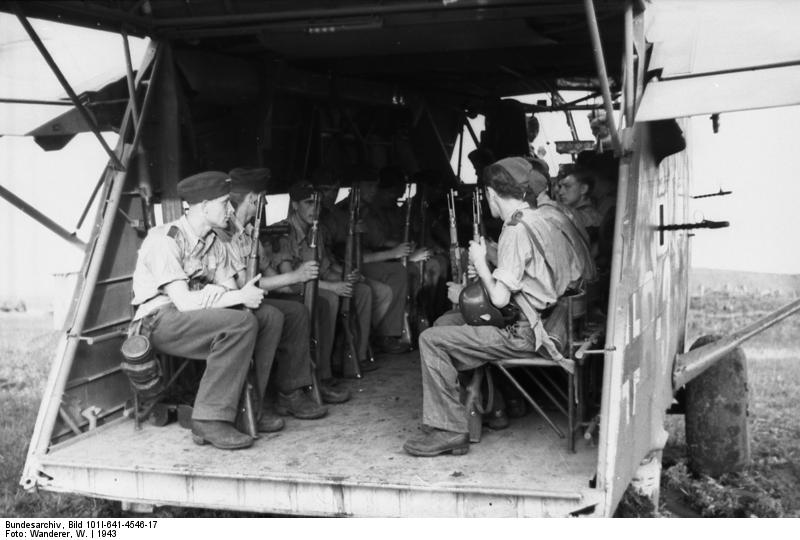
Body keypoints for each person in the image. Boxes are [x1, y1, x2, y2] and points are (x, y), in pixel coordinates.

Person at [403, 157, 587, 457]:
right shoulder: (539, 219)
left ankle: (451, 429)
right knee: (447, 323)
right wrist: (493, 259)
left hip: (524, 332)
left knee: (431, 340)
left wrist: (480, 263)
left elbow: (501, 298)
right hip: (550, 321)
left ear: (491, 193)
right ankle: (489, 406)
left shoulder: (514, 230)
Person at [130, 171, 276, 450]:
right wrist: (233, 296)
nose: (229, 209)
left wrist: (241, 295)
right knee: (240, 325)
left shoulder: (215, 241)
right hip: (158, 321)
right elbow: (183, 302)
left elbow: (228, 288)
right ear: (205, 206)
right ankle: (209, 419)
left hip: (190, 317)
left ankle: (248, 408)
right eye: (224, 203)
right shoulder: (165, 240)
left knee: (266, 317)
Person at [221, 168, 350, 407]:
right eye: (263, 198)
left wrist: (292, 283)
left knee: (304, 309)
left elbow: (269, 274)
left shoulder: (251, 233)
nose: (266, 202)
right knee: (283, 313)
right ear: (253, 199)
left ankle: (295, 387)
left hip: (259, 295)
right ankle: (271, 395)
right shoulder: (227, 235)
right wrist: (295, 277)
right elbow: (246, 285)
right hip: (234, 300)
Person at [274, 182, 379, 373]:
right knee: (329, 299)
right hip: (293, 291)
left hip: (315, 285)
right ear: (295, 205)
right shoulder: (282, 232)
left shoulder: (317, 231)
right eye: (308, 203)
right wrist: (333, 287)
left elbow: (325, 270)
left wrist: (345, 277)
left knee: (361, 290)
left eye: (318, 204)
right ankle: (324, 372)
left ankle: (356, 356)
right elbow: (291, 279)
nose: (315, 209)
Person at [557, 169, 603, 234]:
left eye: (567, 186)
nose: (560, 192)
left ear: (583, 189)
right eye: (560, 187)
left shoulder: (590, 217)